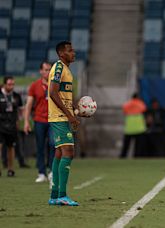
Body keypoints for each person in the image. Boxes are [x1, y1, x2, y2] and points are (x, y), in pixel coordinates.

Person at [48, 41, 83, 206]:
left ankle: (54, 196)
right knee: (69, 151)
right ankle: (62, 195)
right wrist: (69, 116)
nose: (73, 52)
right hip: (59, 117)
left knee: (60, 154)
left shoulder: (67, 70)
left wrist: (76, 111)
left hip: (62, 116)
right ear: (62, 54)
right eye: (70, 50)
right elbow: (52, 93)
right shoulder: (59, 67)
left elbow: (63, 95)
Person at [24, 61, 55, 183]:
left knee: (53, 144)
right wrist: (26, 121)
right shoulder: (34, 86)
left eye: (50, 70)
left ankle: (51, 170)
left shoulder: (55, 85)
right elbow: (28, 105)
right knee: (40, 146)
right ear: (41, 71)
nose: (48, 72)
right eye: (46, 70)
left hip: (53, 120)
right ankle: (41, 172)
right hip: (39, 120)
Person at [0, 76, 23, 177]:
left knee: (11, 147)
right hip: (0, 124)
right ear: (4, 84)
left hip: (12, 125)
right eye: (9, 84)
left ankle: (10, 169)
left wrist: (19, 120)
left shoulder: (16, 96)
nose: (11, 86)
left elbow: (20, 109)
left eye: (13, 84)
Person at [119, 93, 147, 158]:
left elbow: (124, 110)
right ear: (138, 97)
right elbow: (144, 109)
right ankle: (136, 157)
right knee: (138, 146)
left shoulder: (127, 104)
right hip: (139, 128)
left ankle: (122, 157)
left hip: (129, 128)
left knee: (126, 146)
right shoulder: (140, 103)